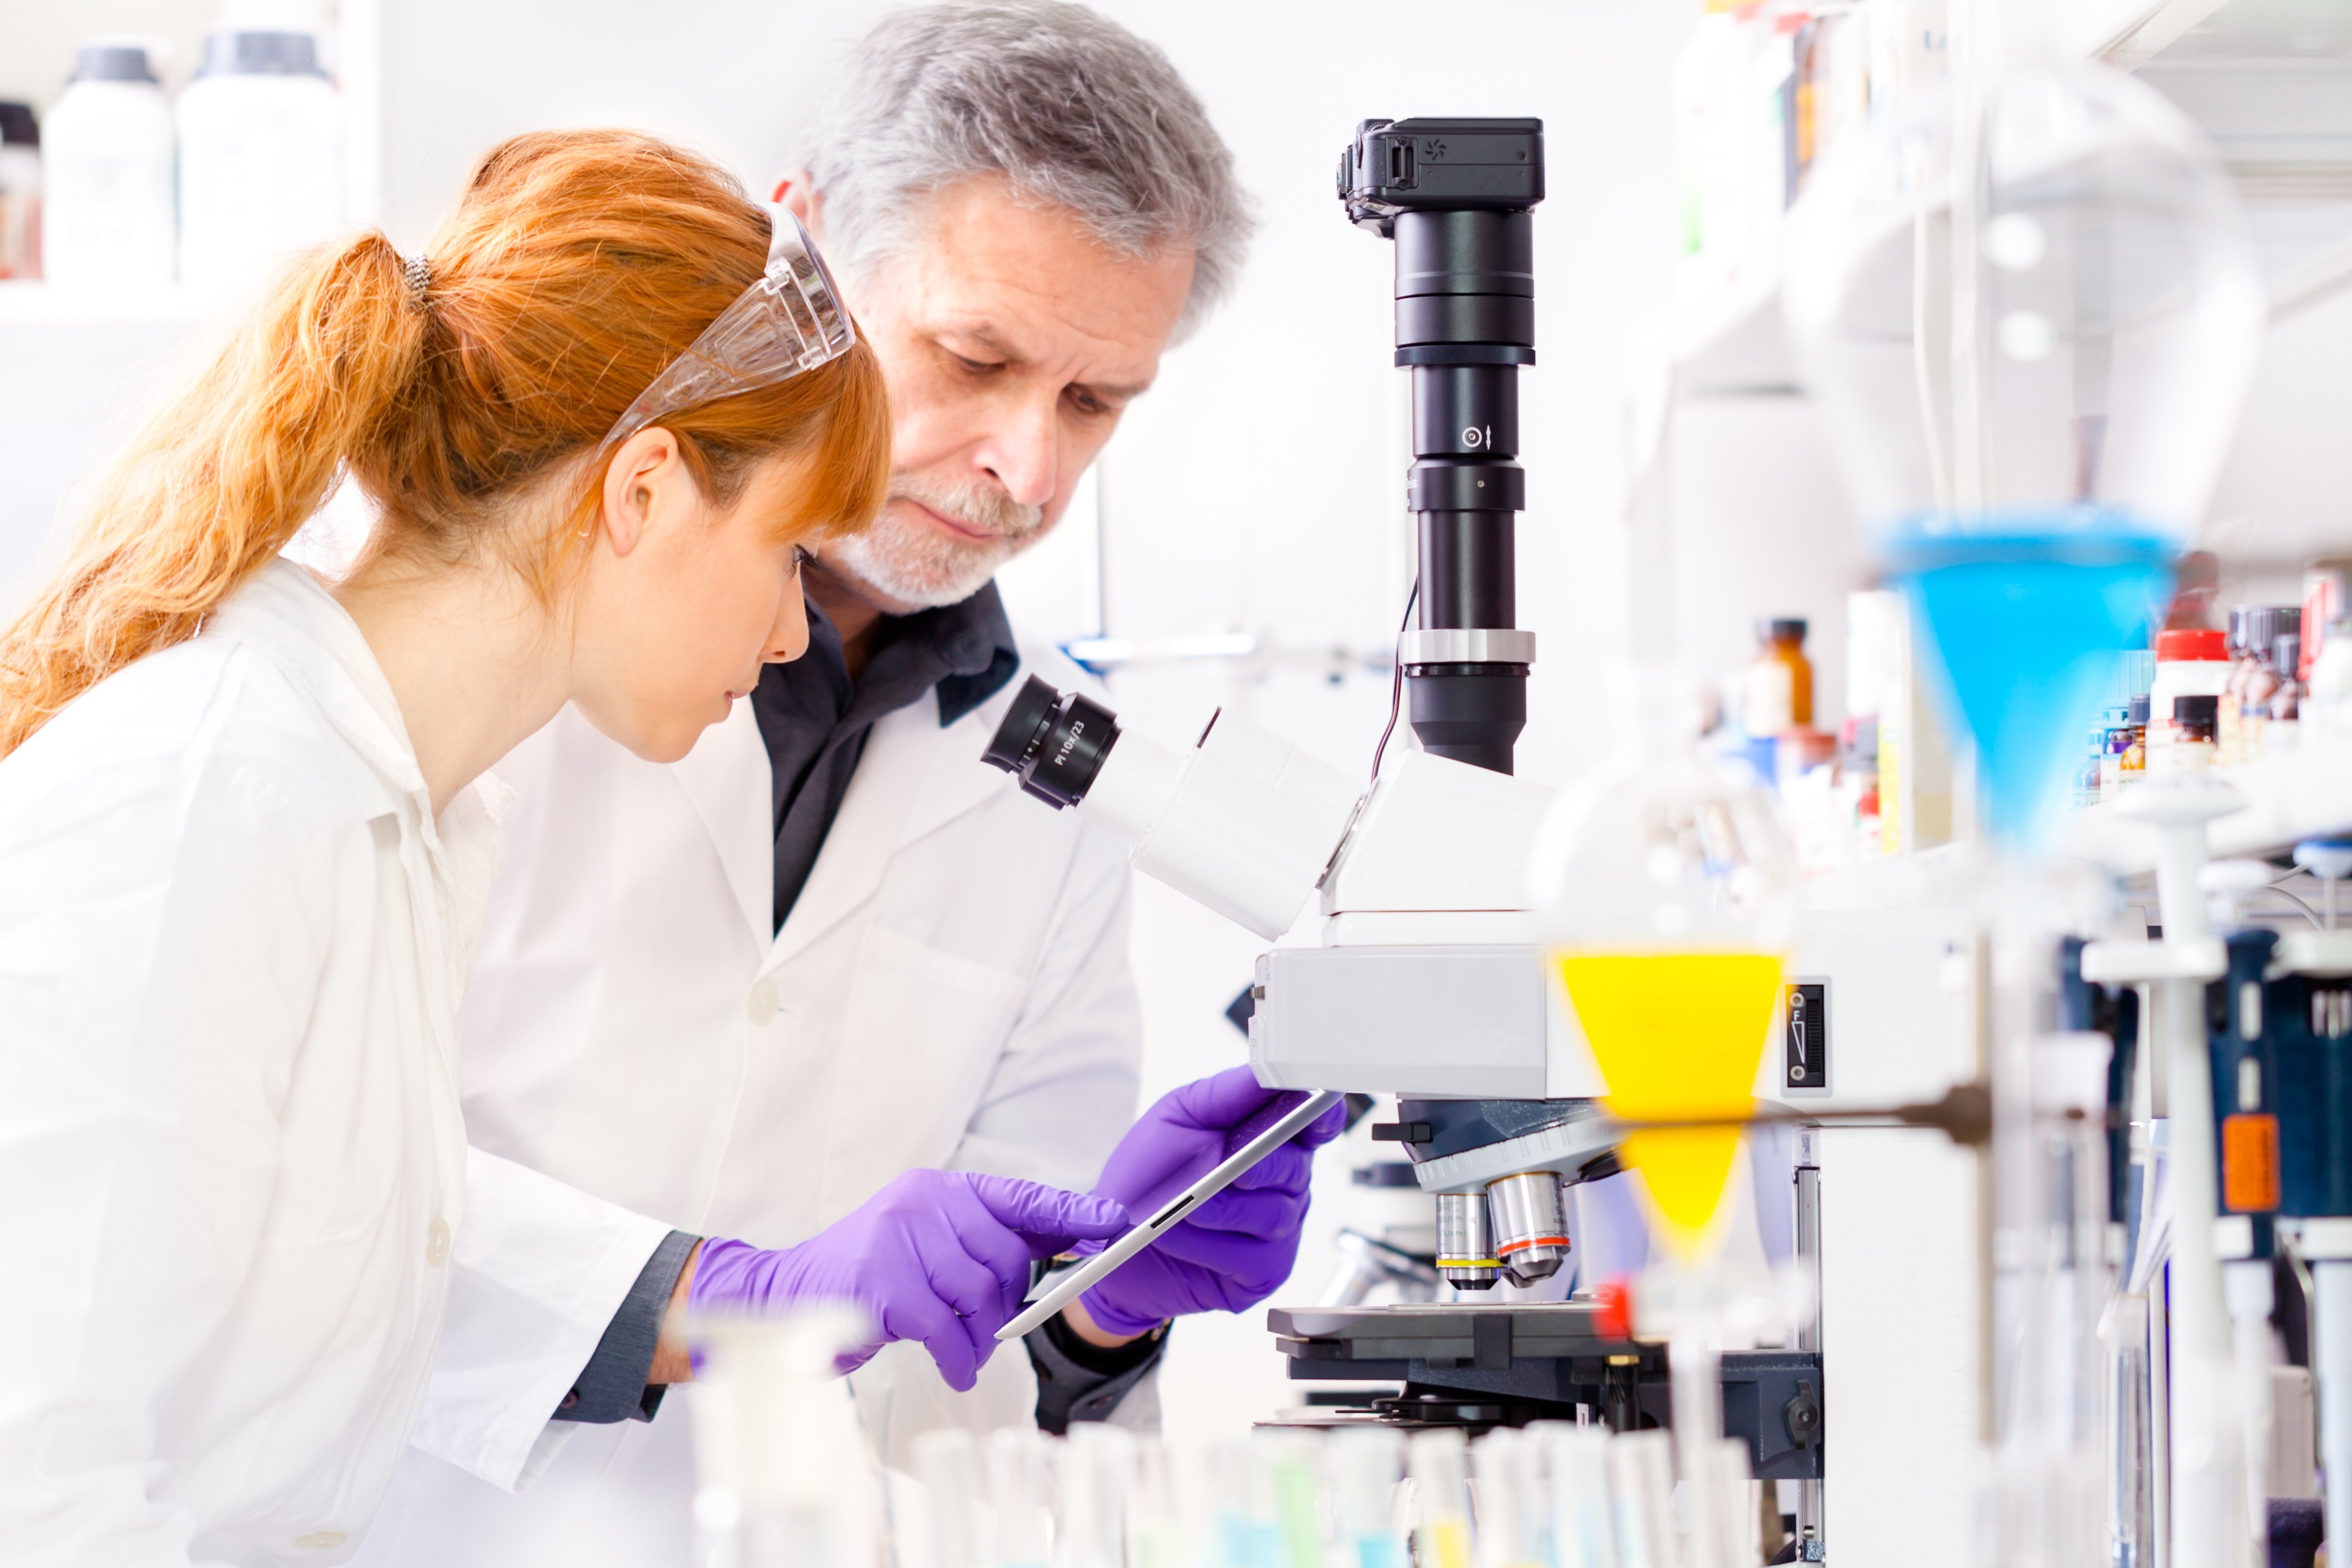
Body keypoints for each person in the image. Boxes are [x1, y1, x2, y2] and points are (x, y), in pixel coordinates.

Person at [0, 129, 1139, 1565]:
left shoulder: (401, 829)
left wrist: (768, 1295)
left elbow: (327, 1276)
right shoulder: (202, 796)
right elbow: (34, 1485)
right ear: (644, 489)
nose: (795, 630)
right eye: (788, 549)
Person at [353, 5, 1336, 1564]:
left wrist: (1100, 1314)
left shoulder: (1059, 795)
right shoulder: (496, 646)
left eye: (1094, 403)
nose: (1032, 468)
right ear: (799, 248)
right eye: (978, 358)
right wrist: (720, 1295)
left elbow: (982, 1400)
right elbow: (293, 1199)